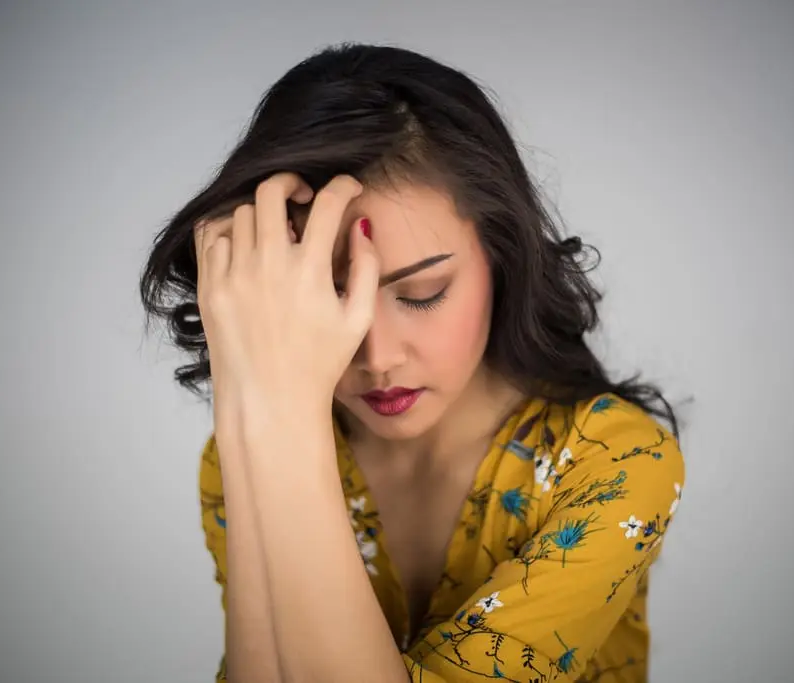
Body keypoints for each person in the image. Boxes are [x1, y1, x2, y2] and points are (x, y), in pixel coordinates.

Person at [140, 42, 685, 683]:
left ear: (500, 255)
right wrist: (250, 398)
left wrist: (268, 421)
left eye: (422, 294)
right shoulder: (251, 445)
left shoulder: (615, 462)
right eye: (330, 299)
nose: (375, 356)